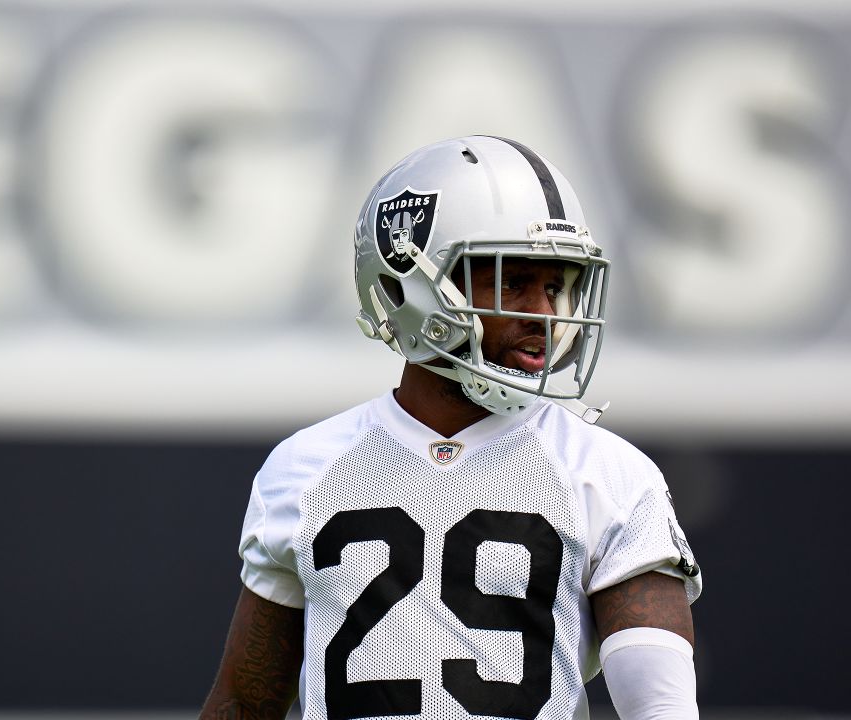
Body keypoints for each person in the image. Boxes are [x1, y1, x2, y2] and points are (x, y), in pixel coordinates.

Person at [199, 136, 702, 720]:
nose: (544, 313)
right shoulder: (306, 467)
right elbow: (243, 702)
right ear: (409, 284)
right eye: (512, 282)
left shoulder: (607, 473)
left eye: (555, 286)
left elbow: (661, 709)